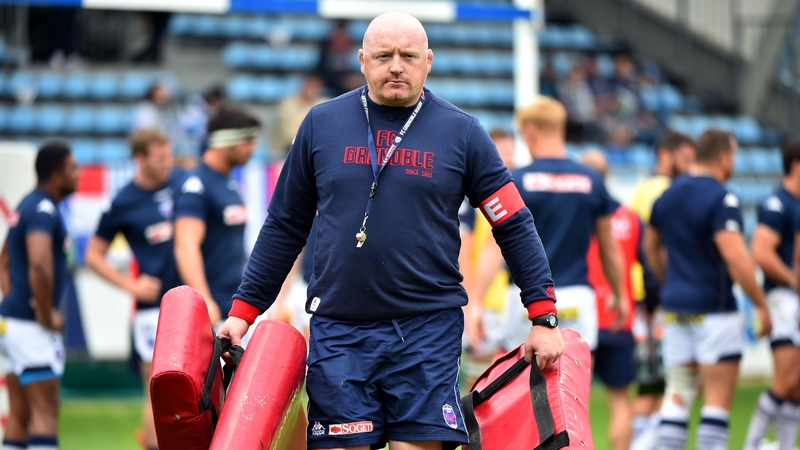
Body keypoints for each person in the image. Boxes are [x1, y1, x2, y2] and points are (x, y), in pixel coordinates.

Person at [217, 12, 563, 450]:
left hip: (427, 332)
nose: (396, 65)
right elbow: (284, 225)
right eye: (383, 55)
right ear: (362, 60)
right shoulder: (321, 125)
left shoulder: (464, 133)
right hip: (339, 331)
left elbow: (513, 223)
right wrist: (242, 313)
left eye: (408, 56)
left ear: (428, 62)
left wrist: (544, 315)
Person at [644, 129, 772, 450]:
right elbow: (736, 257)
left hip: (675, 310)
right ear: (723, 157)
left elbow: (650, 247)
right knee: (716, 403)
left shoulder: (667, 195)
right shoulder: (722, 197)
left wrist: (668, 282)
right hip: (714, 312)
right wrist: (761, 304)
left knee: (678, 397)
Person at [472, 96, 626, 353]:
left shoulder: (516, 182)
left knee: (523, 390)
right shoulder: (591, 180)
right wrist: (620, 295)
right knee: (573, 390)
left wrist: (475, 303)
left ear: (530, 130)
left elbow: (493, 248)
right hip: (578, 296)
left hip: (528, 300)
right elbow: (608, 248)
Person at [84, 129, 185, 450]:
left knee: (198, 387)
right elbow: (92, 255)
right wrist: (131, 285)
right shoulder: (124, 201)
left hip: (192, 302)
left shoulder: (184, 184)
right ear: (139, 159)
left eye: (169, 156)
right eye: (159, 158)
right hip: (153, 309)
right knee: (156, 391)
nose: (167, 163)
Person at [0, 142, 80, 450]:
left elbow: (4, 262)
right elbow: (40, 263)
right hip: (31, 330)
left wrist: (16, 300)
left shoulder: (27, 204)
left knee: (20, 414)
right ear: (57, 176)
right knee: (45, 411)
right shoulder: (45, 209)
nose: (79, 175)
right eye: (73, 169)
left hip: (11, 322)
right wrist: (44, 313)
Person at [626, 130, 695, 449]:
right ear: (665, 156)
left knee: (651, 385)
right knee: (664, 383)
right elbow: (656, 246)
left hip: (642, 293)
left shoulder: (641, 190)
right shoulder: (664, 190)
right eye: (685, 158)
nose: (690, 165)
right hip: (655, 297)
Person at [174, 106, 260, 328]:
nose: (253, 149)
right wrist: (205, 300)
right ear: (227, 142)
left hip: (232, 304)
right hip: (211, 309)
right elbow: (186, 246)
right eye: (248, 141)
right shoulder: (196, 186)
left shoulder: (229, 182)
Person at [581, 150, 640, 450]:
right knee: (620, 402)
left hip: (578, 320)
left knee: (574, 405)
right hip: (619, 317)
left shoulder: (572, 215)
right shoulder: (629, 218)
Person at [744, 138, 800, 450]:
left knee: (797, 385)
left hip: (792, 298)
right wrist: (794, 281)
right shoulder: (778, 204)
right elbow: (762, 253)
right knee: (786, 379)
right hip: (782, 298)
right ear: (796, 165)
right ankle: (752, 444)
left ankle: (787, 445)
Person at [274, 75, 328, 157]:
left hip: (316, 147)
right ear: (304, 87)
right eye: (311, 87)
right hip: (288, 149)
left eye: (317, 88)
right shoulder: (288, 104)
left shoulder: (324, 104)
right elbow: (288, 133)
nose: (313, 91)